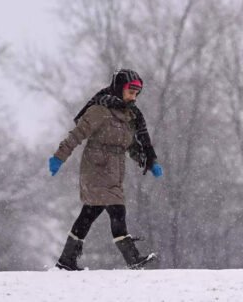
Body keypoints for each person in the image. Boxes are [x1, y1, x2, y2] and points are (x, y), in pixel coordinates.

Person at [49, 68, 163, 271]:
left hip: (115, 170)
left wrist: (148, 161)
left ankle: (67, 259)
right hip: (96, 167)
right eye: (130, 91)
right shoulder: (99, 110)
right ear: (119, 88)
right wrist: (59, 157)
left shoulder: (130, 115)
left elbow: (130, 145)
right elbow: (76, 135)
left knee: (89, 213)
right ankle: (132, 258)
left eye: (136, 93)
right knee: (117, 210)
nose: (133, 96)